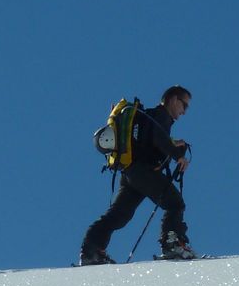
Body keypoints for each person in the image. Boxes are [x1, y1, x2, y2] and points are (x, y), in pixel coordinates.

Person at [79, 85, 196, 265]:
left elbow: (152, 140)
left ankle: (91, 250)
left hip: (130, 172)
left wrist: (173, 144)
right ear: (173, 100)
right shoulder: (161, 116)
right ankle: (173, 244)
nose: (184, 112)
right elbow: (157, 137)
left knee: (119, 215)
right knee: (175, 203)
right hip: (143, 171)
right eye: (184, 106)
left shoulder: (150, 117)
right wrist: (177, 155)